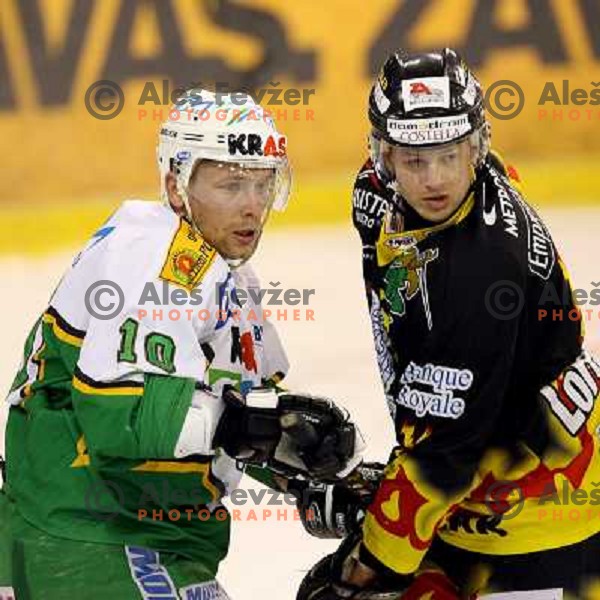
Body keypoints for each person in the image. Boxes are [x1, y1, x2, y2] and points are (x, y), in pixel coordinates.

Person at [0, 89, 362, 599]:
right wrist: (251, 425)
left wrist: (312, 472)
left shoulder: (228, 277)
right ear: (176, 185)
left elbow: (237, 416)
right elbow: (120, 417)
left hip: (144, 541)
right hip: (88, 542)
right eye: (232, 184)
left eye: (263, 184)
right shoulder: (153, 260)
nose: (253, 206)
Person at [296, 48, 600, 599]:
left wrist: (364, 566)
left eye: (449, 155)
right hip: (481, 479)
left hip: (544, 518)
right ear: (382, 157)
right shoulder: (376, 194)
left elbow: (446, 457)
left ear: (476, 147)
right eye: (414, 160)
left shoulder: (481, 280)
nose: (434, 180)